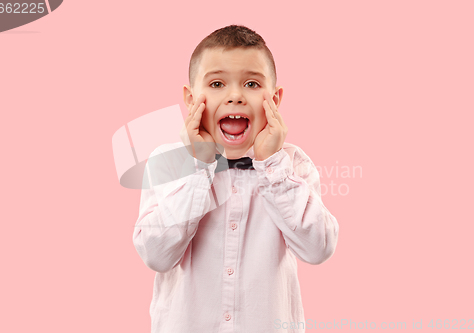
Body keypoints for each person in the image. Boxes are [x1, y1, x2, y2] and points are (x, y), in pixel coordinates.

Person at [133, 24, 339, 333]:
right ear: (190, 100)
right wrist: (199, 167)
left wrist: (271, 165)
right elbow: (156, 254)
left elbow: (318, 248)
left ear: (276, 99)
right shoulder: (168, 163)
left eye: (252, 84)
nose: (235, 96)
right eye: (216, 83)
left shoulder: (292, 165)